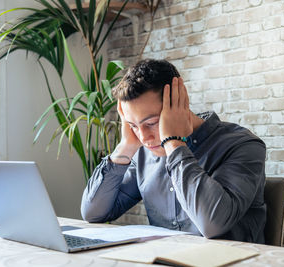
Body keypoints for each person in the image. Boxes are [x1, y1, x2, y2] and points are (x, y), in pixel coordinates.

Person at [80, 59, 267, 244]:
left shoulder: (242, 145)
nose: (143, 137)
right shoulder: (145, 151)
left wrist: (173, 143)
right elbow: (93, 213)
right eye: (133, 126)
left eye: (151, 123)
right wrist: (125, 147)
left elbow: (213, 225)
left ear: (180, 102)